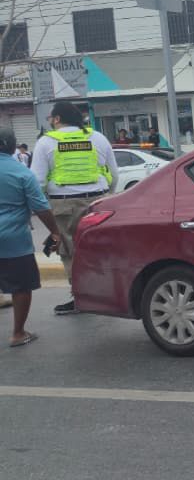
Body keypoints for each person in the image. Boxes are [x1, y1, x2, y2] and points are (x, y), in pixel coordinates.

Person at [30, 101, 119, 314]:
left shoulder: (45, 142)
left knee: (70, 252)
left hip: (63, 205)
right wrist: (108, 196)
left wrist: (43, 206)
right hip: (98, 201)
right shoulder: (97, 137)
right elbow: (114, 174)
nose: (50, 121)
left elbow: (37, 182)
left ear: (58, 119)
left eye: (50, 118)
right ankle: (106, 294)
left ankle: (81, 298)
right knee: (99, 249)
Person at [0, 128, 60, 346]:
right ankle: (18, 333)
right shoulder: (22, 173)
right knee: (21, 287)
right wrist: (54, 232)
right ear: (12, 146)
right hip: (14, 241)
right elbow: (41, 207)